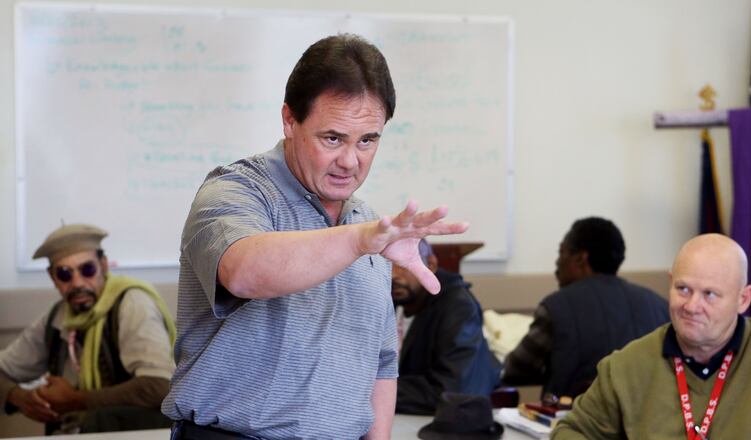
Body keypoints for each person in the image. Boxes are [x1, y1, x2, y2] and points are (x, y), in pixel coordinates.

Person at [161, 33, 468, 440]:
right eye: (332, 138)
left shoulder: (369, 223)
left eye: (367, 141)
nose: (350, 161)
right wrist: (360, 242)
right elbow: (244, 272)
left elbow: (379, 363)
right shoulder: (235, 190)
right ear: (290, 120)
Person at [553, 233, 751, 439]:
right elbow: (571, 431)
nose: (692, 306)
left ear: (743, 299)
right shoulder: (626, 366)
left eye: (710, 294)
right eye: (683, 289)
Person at [0, 224, 176, 434]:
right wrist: (17, 397)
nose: (77, 283)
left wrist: (76, 400)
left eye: (87, 270)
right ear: (52, 277)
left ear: (103, 265)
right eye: (64, 274)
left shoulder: (131, 304)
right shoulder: (57, 317)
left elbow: (158, 387)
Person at [502, 217, 669, 398]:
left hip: (573, 421)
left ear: (581, 259)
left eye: (561, 253)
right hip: (649, 422)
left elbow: (516, 369)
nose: (557, 265)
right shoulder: (660, 307)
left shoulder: (556, 307)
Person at [393, 240, 501, 415]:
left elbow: (448, 388)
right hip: (405, 411)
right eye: (386, 265)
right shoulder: (389, 301)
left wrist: (374, 389)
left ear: (431, 265)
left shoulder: (458, 307)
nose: (393, 275)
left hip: (452, 419)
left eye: (402, 265)